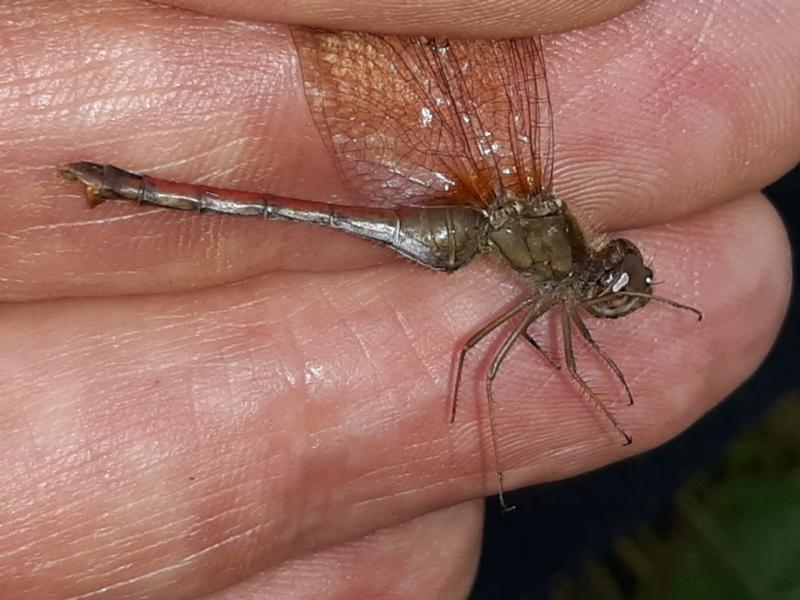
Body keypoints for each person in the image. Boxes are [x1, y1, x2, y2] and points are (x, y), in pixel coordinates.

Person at [0, 0, 796, 597]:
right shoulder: (557, 272)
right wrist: (601, 400)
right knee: (478, 366)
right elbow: (498, 363)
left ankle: (120, 188)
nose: (615, 294)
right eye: (616, 284)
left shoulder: (555, 264)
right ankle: (124, 188)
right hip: (452, 216)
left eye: (620, 284)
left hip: (465, 220)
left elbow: (534, 345)